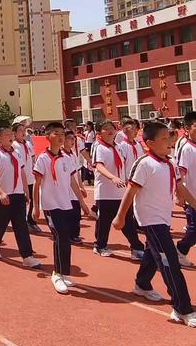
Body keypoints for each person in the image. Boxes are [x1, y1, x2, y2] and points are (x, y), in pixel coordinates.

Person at [113, 121, 196, 327]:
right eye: (164, 139)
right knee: (170, 262)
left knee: (153, 252)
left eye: (169, 137)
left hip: (163, 218)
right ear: (149, 143)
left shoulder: (170, 162)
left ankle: (141, 283)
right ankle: (182, 308)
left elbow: (180, 188)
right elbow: (130, 192)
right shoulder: (144, 164)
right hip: (151, 220)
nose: (169, 142)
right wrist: (120, 216)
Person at [33, 122, 90, 294]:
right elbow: (37, 185)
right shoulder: (43, 158)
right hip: (52, 205)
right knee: (62, 237)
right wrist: (36, 208)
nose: (60, 137)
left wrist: (82, 203)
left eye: (62, 134)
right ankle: (57, 274)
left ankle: (64, 273)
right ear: (47, 137)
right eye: (56, 133)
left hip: (66, 204)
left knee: (66, 239)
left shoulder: (67, 158)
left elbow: (73, 181)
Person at [0, 127, 40, 268]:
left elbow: (22, 172)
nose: (10, 137)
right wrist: (1, 192)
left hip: (17, 195)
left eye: (11, 134)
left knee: (21, 226)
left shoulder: (17, 153)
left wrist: (25, 190)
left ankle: (27, 256)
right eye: (6, 134)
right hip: (2, 196)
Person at [92, 120, 144, 259]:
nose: (110, 131)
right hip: (105, 193)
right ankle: (100, 246)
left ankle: (137, 247)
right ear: (99, 133)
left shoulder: (118, 147)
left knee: (127, 221)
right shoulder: (100, 147)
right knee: (104, 222)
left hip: (120, 192)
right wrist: (113, 178)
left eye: (112, 128)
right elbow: (99, 166)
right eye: (106, 128)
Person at [13, 122, 41, 233]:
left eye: (23, 130)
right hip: (20, 179)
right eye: (20, 130)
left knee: (33, 200)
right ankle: (22, 223)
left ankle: (31, 221)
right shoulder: (14, 146)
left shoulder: (28, 144)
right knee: (23, 202)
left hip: (31, 178)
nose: (23, 132)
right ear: (14, 133)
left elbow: (33, 158)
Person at [176, 111, 196, 267]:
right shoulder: (187, 148)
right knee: (194, 230)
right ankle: (180, 251)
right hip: (193, 196)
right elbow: (180, 174)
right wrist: (181, 196)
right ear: (187, 129)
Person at [61, 129, 88, 244]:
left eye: (74, 139)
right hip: (66, 190)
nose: (72, 141)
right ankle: (69, 235)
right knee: (69, 214)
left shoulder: (73, 154)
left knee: (76, 214)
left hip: (75, 190)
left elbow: (77, 172)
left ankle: (74, 234)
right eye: (70, 138)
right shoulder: (61, 155)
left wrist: (81, 186)